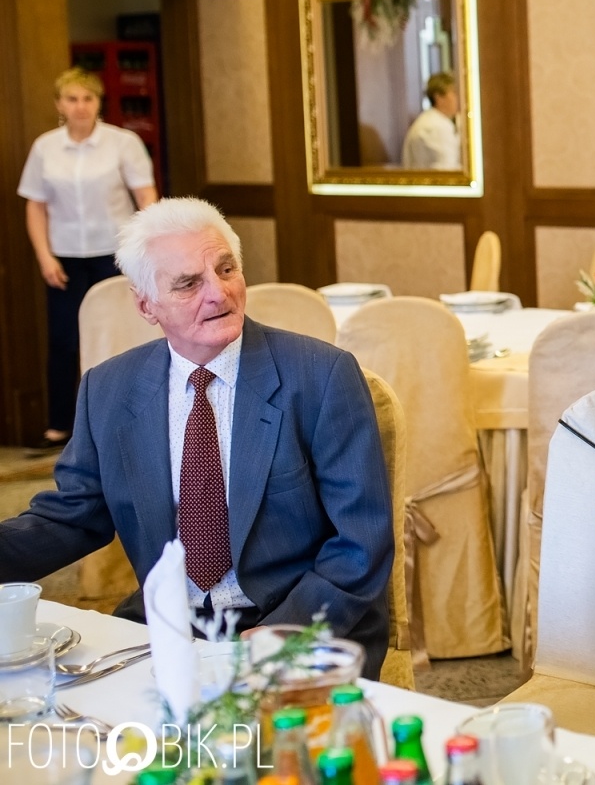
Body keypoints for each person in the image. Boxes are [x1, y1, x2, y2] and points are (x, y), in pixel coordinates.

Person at [0, 198, 394, 676]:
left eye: (226, 270)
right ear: (146, 304)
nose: (219, 293)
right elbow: (74, 516)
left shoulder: (320, 376)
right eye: (189, 284)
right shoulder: (109, 389)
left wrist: (283, 632)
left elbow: (361, 541)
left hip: (294, 621)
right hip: (168, 627)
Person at [18, 68, 158, 449]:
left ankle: (130, 417)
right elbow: (35, 206)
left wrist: (146, 247)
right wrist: (44, 257)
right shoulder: (45, 147)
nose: (81, 107)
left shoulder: (123, 143)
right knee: (64, 340)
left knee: (123, 335)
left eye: (88, 99)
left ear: (99, 103)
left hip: (114, 255)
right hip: (64, 257)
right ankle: (61, 425)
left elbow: (146, 197)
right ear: (59, 104)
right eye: (72, 99)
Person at [400, 73, 461, 169]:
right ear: (439, 98)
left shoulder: (438, 122)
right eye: (453, 93)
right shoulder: (435, 127)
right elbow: (447, 170)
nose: (458, 98)